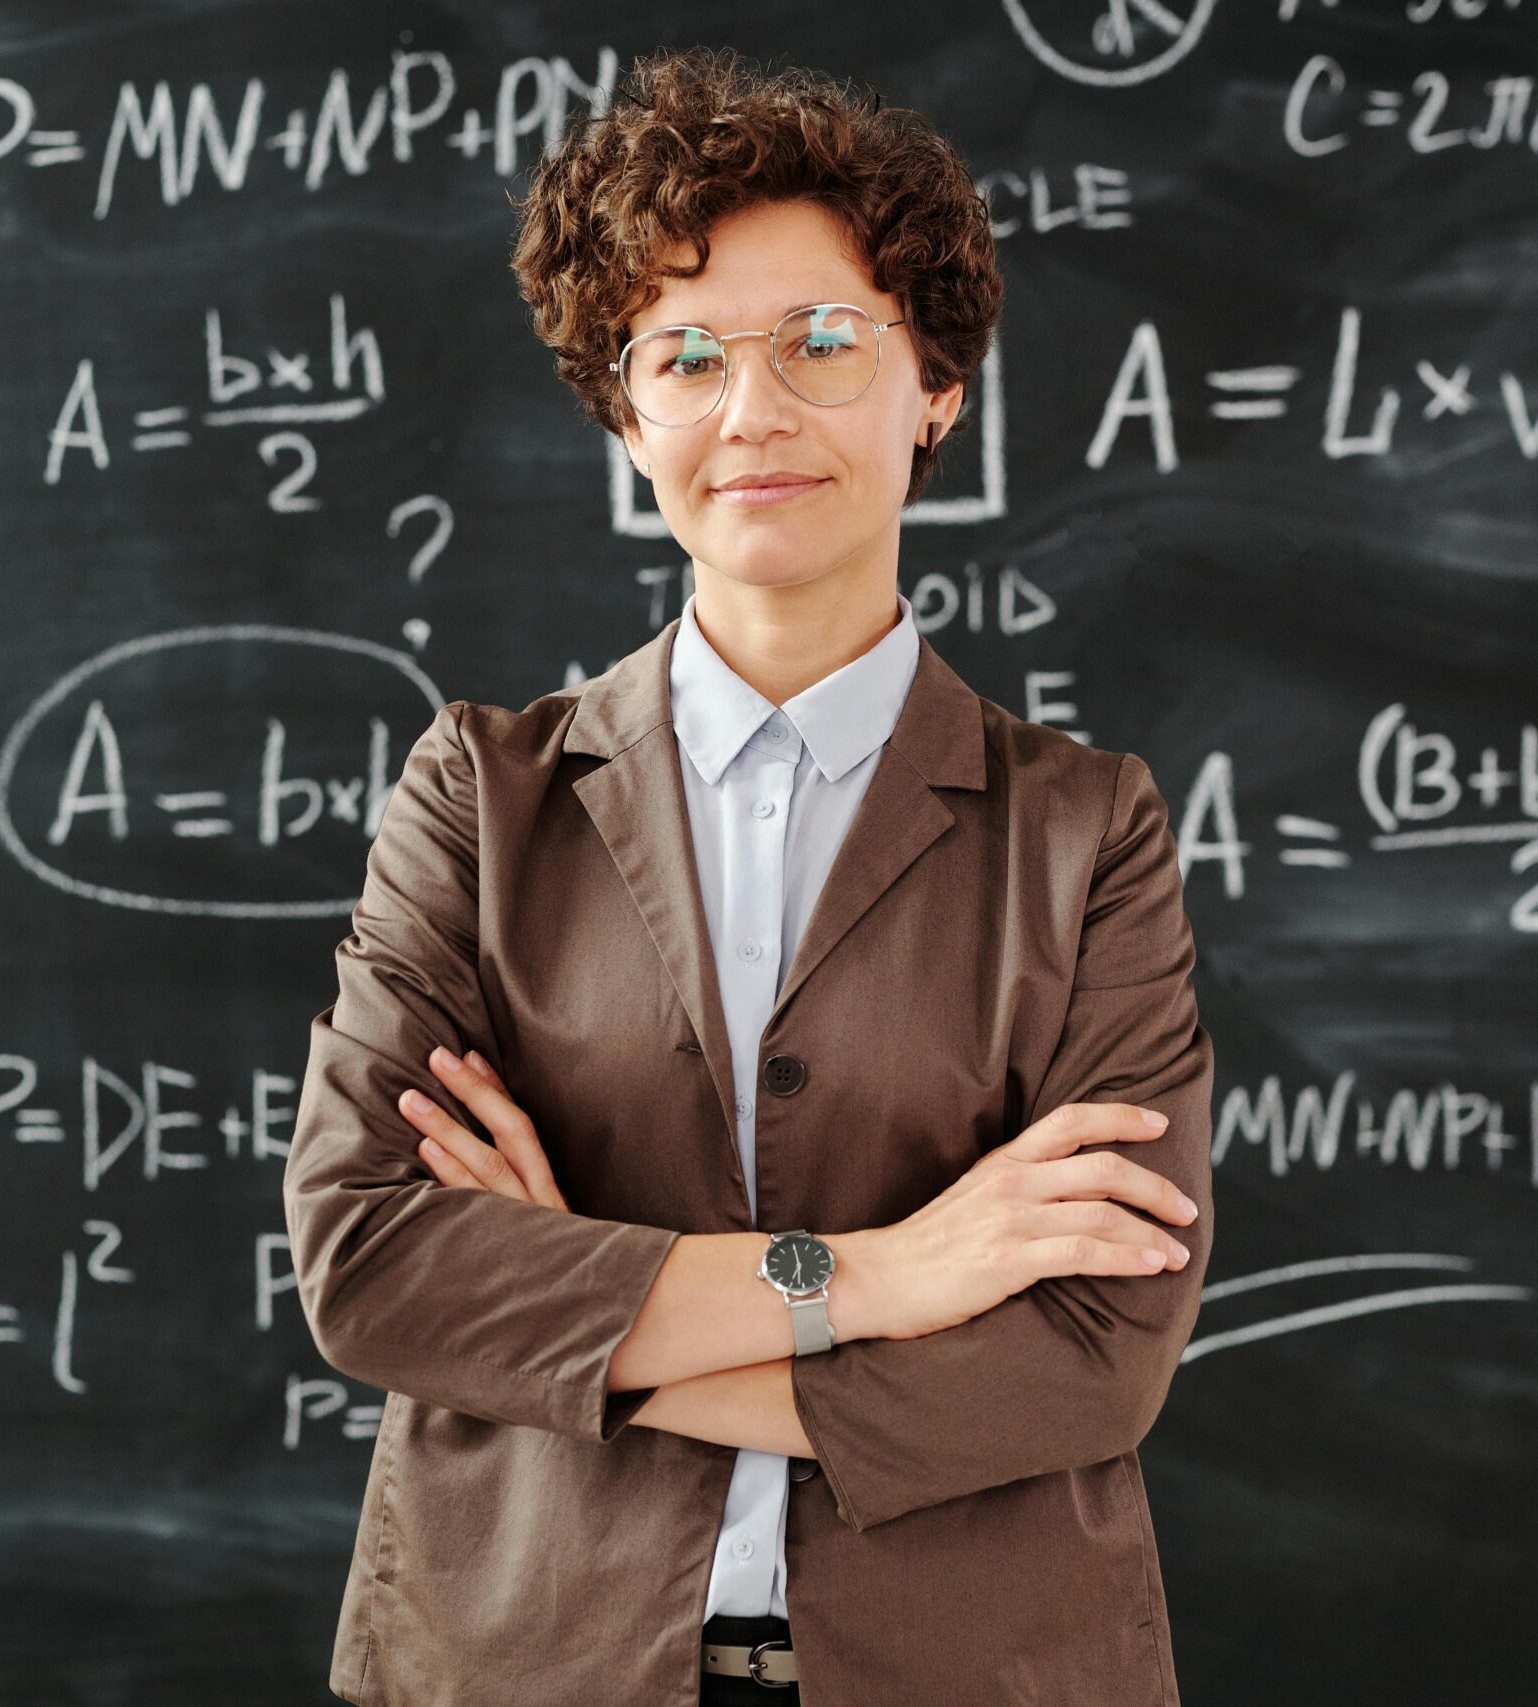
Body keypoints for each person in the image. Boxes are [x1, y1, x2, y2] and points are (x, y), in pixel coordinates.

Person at [282, 45, 1216, 1707]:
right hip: (521, 1663)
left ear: (934, 385)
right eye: (687, 353)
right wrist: (884, 1276)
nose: (754, 410)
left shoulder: (1089, 831)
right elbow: (375, 1263)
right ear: (624, 409)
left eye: (823, 343)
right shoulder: (481, 800)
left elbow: (1088, 1358)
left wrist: (579, 1318)